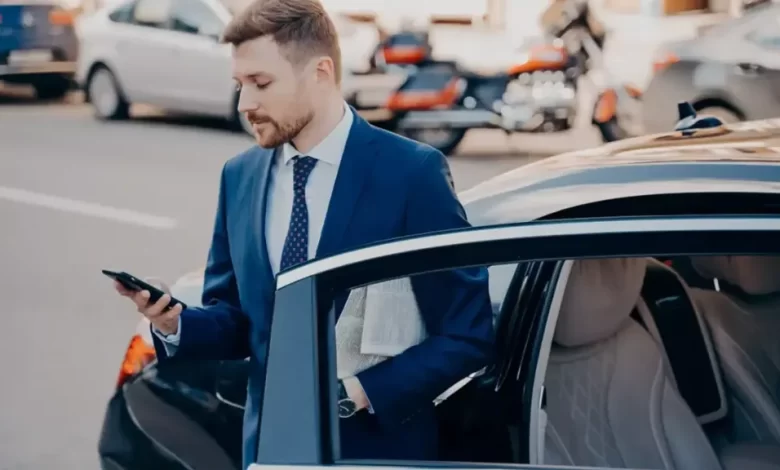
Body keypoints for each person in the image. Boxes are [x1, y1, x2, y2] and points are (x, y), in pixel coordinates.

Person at [113, 0, 494, 466]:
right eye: (239, 84)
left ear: (320, 72)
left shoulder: (412, 174)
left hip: (377, 453)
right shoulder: (240, 176)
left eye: (261, 83)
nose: (245, 104)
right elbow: (237, 320)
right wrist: (174, 323)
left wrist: (356, 393)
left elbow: (466, 335)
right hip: (269, 450)